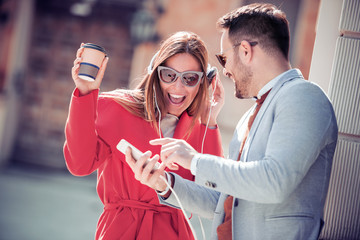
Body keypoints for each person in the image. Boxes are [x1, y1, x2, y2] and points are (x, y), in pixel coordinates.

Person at [125, 3, 338, 240]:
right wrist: (165, 183)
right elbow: (224, 202)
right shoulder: (249, 116)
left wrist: (194, 160)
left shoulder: (304, 96)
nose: (224, 70)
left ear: (245, 51)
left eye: (224, 57)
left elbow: (274, 182)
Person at [63, 31, 224, 239]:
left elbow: (213, 194)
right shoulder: (115, 107)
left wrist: (209, 119)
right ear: (155, 73)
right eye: (169, 75)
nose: (178, 86)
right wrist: (85, 93)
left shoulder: (199, 127)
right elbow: (79, 165)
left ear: (203, 82)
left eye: (190, 78)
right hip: (120, 231)